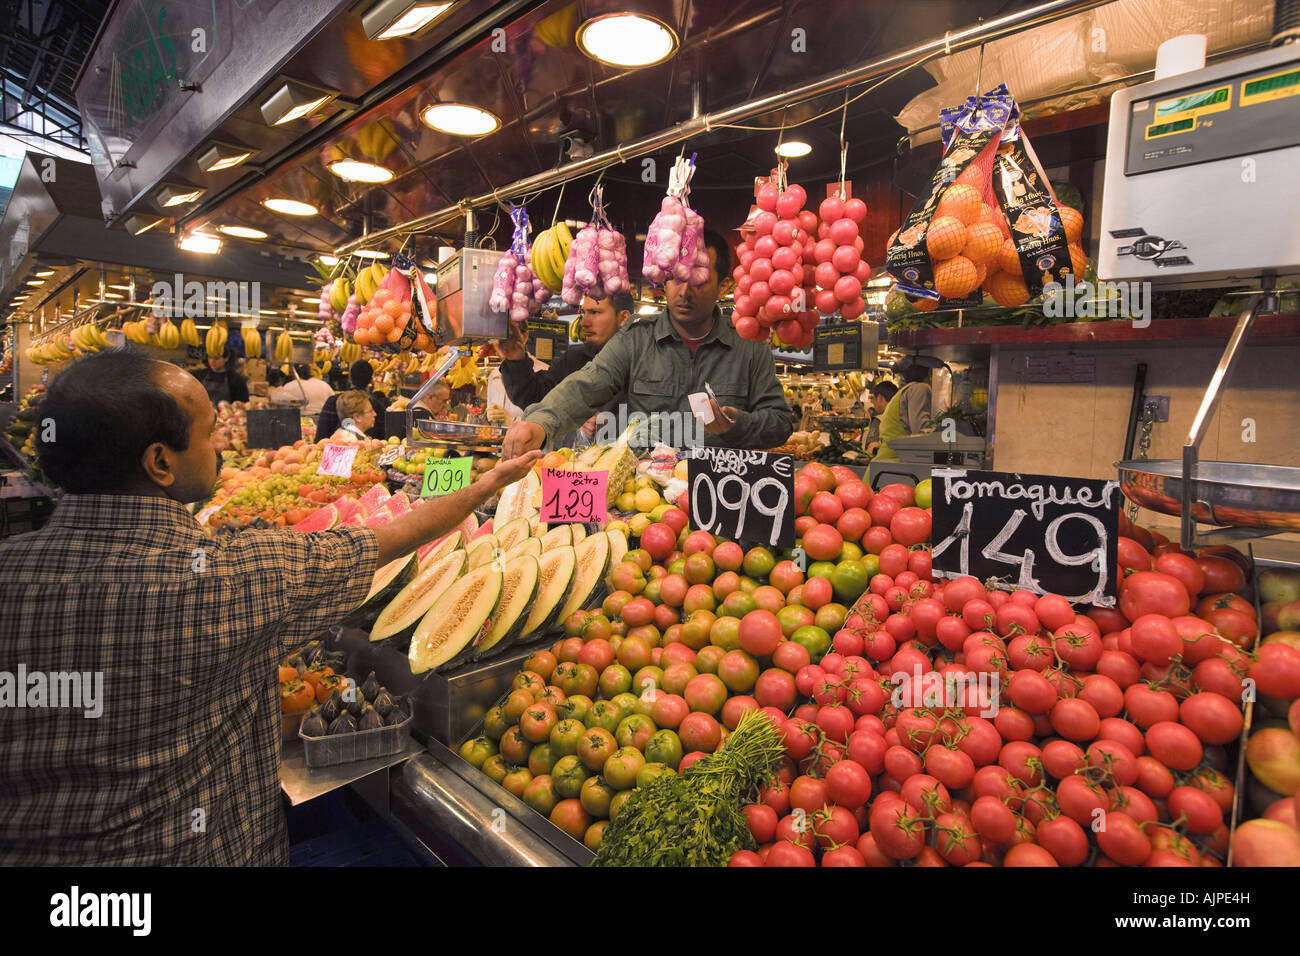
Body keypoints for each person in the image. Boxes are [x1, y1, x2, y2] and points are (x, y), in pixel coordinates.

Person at [0, 350, 539, 866]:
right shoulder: (236, 578)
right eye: (208, 433)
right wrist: (486, 484)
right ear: (160, 462)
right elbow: (388, 540)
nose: (217, 443)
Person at [501, 230, 793, 457]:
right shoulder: (636, 340)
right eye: (676, 278)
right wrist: (540, 422)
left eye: (699, 280)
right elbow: (585, 386)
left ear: (725, 286)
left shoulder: (749, 347)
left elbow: (780, 424)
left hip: (720, 497)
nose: (685, 292)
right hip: (644, 501)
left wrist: (738, 424)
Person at [496, 292, 632, 439]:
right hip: (572, 460)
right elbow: (536, 398)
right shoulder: (574, 359)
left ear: (623, 318)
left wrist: (613, 426)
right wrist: (516, 358)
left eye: (594, 312)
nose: (584, 322)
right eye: (584, 313)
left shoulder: (644, 362)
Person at [316, 360, 388, 439]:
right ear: (371, 380)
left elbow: (321, 436)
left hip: (333, 448)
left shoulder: (333, 401)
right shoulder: (377, 406)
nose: (374, 414)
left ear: (349, 378)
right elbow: (383, 437)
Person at [873, 365, 932, 461]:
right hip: (895, 461)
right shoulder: (920, 388)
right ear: (930, 374)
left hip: (887, 460)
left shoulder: (906, 390)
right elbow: (921, 430)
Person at [269, 363, 334, 416]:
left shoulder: (289, 386)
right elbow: (334, 403)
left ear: (293, 373)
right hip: (323, 420)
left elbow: (280, 404)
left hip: (301, 421)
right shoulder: (324, 384)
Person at [864, 380, 898, 456]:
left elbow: (871, 446)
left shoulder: (878, 420)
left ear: (880, 398)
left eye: (873, 398)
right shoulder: (899, 417)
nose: (872, 403)